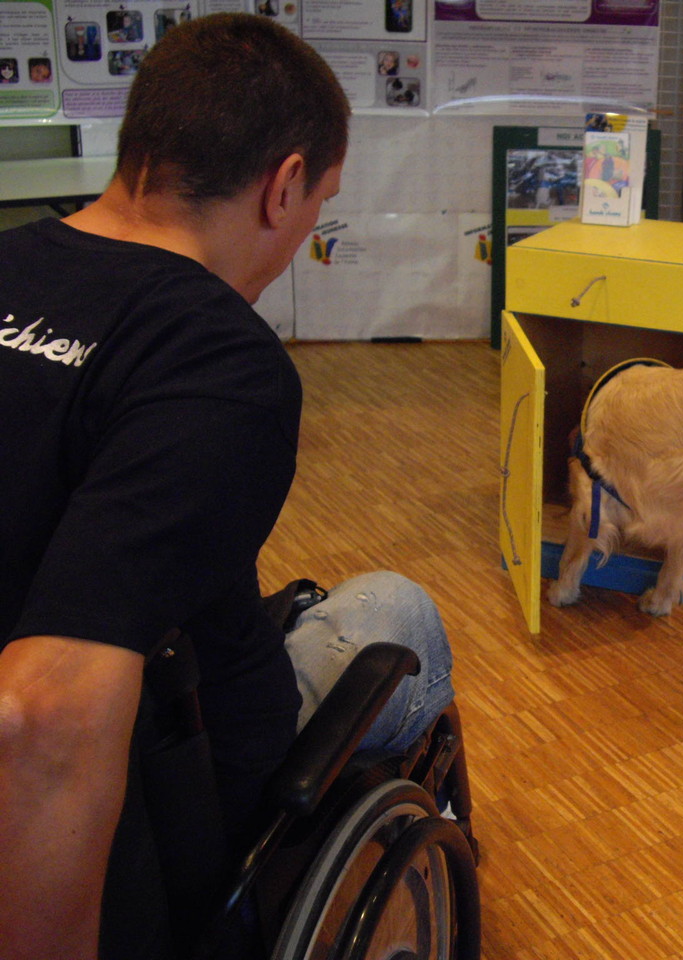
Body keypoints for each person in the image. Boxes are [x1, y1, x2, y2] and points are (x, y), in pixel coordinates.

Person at [0, 14, 453, 960]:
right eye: (318, 203)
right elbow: (44, 713)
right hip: (183, 787)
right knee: (396, 612)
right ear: (284, 184)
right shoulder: (215, 359)